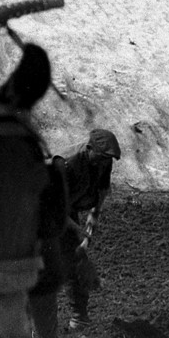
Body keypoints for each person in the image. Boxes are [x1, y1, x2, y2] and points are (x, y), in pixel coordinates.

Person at [54, 128, 121, 321]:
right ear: (89, 149)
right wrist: (78, 231)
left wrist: (93, 218)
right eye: (100, 158)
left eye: (106, 160)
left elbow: (101, 190)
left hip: (66, 207)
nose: (104, 163)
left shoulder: (103, 161)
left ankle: (79, 316)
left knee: (75, 259)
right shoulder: (66, 164)